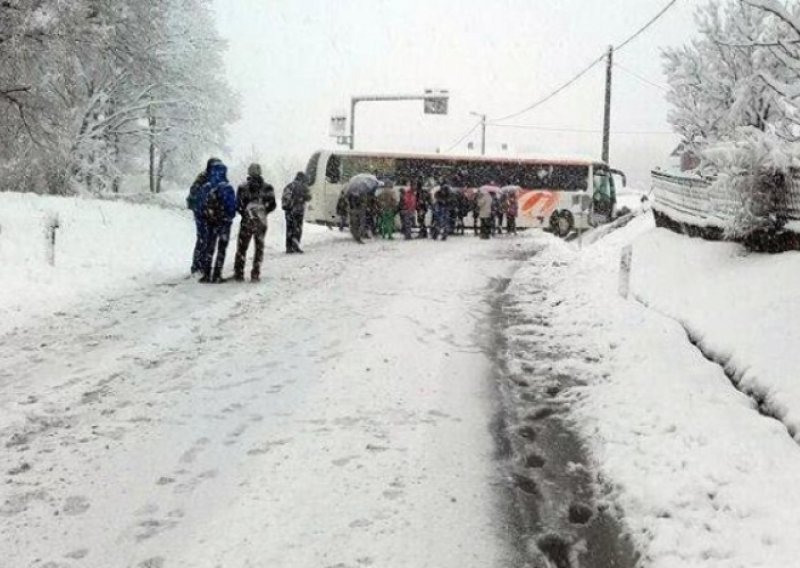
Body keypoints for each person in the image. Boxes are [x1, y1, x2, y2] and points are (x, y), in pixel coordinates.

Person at [233, 163, 276, 282]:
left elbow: (238, 205)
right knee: (259, 248)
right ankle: (255, 273)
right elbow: (273, 205)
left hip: (247, 222)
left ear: (249, 172)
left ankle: (239, 273)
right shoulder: (268, 188)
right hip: (261, 223)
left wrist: (246, 213)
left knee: (242, 248)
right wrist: (263, 212)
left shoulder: (242, 188)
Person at [198, 160, 237, 283]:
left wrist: (208, 216)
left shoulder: (206, 187)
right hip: (224, 223)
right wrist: (228, 216)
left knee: (209, 247)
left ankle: (206, 274)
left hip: (210, 222)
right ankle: (217, 274)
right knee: (221, 248)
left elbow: (201, 205)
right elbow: (232, 206)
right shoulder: (227, 187)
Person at [186, 157, 220, 275]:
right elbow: (193, 195)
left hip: (214, 215)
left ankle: (205, 266)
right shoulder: (202, 178)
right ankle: (196, 267)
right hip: (202, 214)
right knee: (202, 239)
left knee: (211, 240)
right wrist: (202, 208)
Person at [282, 172, 311, 254]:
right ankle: (295, 246)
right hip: (299, 211)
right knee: (297, 229)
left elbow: (285, 198)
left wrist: (287, 206)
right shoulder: (304, 187)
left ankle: (288, 247)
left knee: (289, 229)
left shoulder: (289, 186)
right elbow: (309, 197)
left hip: (289, 211)